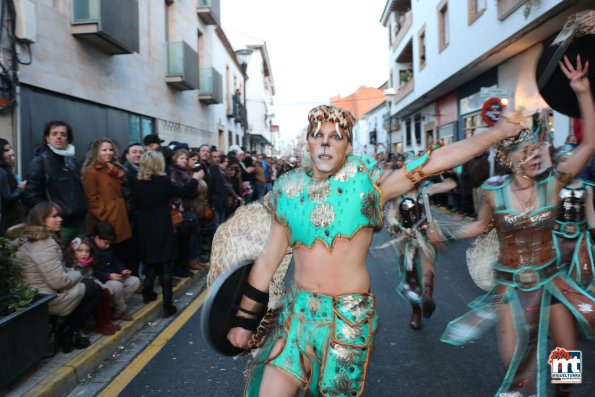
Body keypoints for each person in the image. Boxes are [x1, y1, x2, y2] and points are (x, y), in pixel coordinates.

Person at [225, 102, 522, 396]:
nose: (326, 143)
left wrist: (498, 132)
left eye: (336, 137)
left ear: (348, 146)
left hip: (346, 320)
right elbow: (267, 261)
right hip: (297, 314)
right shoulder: (288, 192)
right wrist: (243, 321)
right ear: (309, 143)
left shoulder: (367, 186)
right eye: (318, 135)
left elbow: (433, 162)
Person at [436, 56, 595, 397]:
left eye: (537, 148)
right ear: (512, 160)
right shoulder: (493, 193)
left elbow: (589, 144)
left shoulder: (553, 182)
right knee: (514, 369)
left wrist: (582, 92)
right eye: (528, 150)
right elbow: (478, 227)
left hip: (552, 284)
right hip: (509, 290)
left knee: (566, 372)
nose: (537, 154)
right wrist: (445, 232)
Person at [9, 202, 102, 353]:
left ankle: (66, 330)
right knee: (95, 288)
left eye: (59, 216)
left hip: (29, 296)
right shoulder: (44, 243)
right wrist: (77, 274)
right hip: (45, 300)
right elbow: (59, 282)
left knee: (86, 284)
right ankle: (68, 333)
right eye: (54, 216)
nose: (60, 219)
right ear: (41, 219)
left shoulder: (22, 238)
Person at [131, 151, 204, 317]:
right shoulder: (163, 182)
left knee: (153, 261)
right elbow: (183, 191)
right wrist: (195, 179)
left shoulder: (136, 182)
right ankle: (167, 304)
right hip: (162, 225)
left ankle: (148, 292)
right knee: (166, 265)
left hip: (144, 226)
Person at [384, 163, 457, 330]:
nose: (414, 178)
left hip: (426, 236)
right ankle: (416, 310)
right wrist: (399, 227)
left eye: (417, 173)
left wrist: (444, 169)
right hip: (408, 240)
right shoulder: (398, 196)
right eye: (411, 174)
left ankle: (427, 295)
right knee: (411, 278)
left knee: (428, 264)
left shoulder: (426, 190)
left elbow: (451, 185)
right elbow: (391, 217)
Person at [23, 121, 87, 245]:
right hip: (57, 227)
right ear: (47, 138)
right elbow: (31, 196)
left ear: (68, 139)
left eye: (63, 134)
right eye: (54, 134)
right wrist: (50, 216)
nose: (59, 137)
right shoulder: (40, 162)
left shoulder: (72, 162)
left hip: (78, 225)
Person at [552, 144, 595, 295]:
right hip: (557, 241)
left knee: (578, 281)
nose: (569, 165)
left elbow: (591, 218)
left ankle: (574, 311)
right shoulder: (553, 188)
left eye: (573, 160)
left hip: (580, 242)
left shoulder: (587, 188)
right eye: (564, 160)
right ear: (557, 164)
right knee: (557, 279)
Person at [81, 139, 132, 262]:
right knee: (109, 257)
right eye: (104, 150)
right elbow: (91, 199)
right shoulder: (91, 171)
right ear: (96, 152)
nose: (108, 152)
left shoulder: (114, 169)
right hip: (107, 220)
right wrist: (104, 217)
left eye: (110, 149)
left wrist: (125, 208)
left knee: (123, 254)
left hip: (120, 217)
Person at [66, 236, 120, 335]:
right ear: (73, 251)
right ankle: (100, 325)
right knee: (98, 293)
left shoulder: (87, 265)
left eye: (87, 251)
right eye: (80, 251)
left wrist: (102, 286)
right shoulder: (71, 266)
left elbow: (91, 278)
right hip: (77, 291)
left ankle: (106, 322)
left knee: (105, 292)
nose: (84, 254)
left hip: (88, 286)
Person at [90, 221, 140, 321]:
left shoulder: (106, 247)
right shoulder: (88, 248)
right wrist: (108, 276)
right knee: (117, 286)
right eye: (106, 243)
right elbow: (91, 271)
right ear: (96, 238)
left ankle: (112, 307)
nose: (108, 246)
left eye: (109, 243)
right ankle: (121, 311)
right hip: (99, 280)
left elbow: (114, 261)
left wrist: (122, 270)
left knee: (135, 281)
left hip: (112, 276)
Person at [0, 138, 25, 235]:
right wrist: (20, 188)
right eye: (6, 150)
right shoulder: (2, 172)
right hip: (8, 222)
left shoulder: (6, 171)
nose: (10, 153)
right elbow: (7, 198)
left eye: (10, 149)